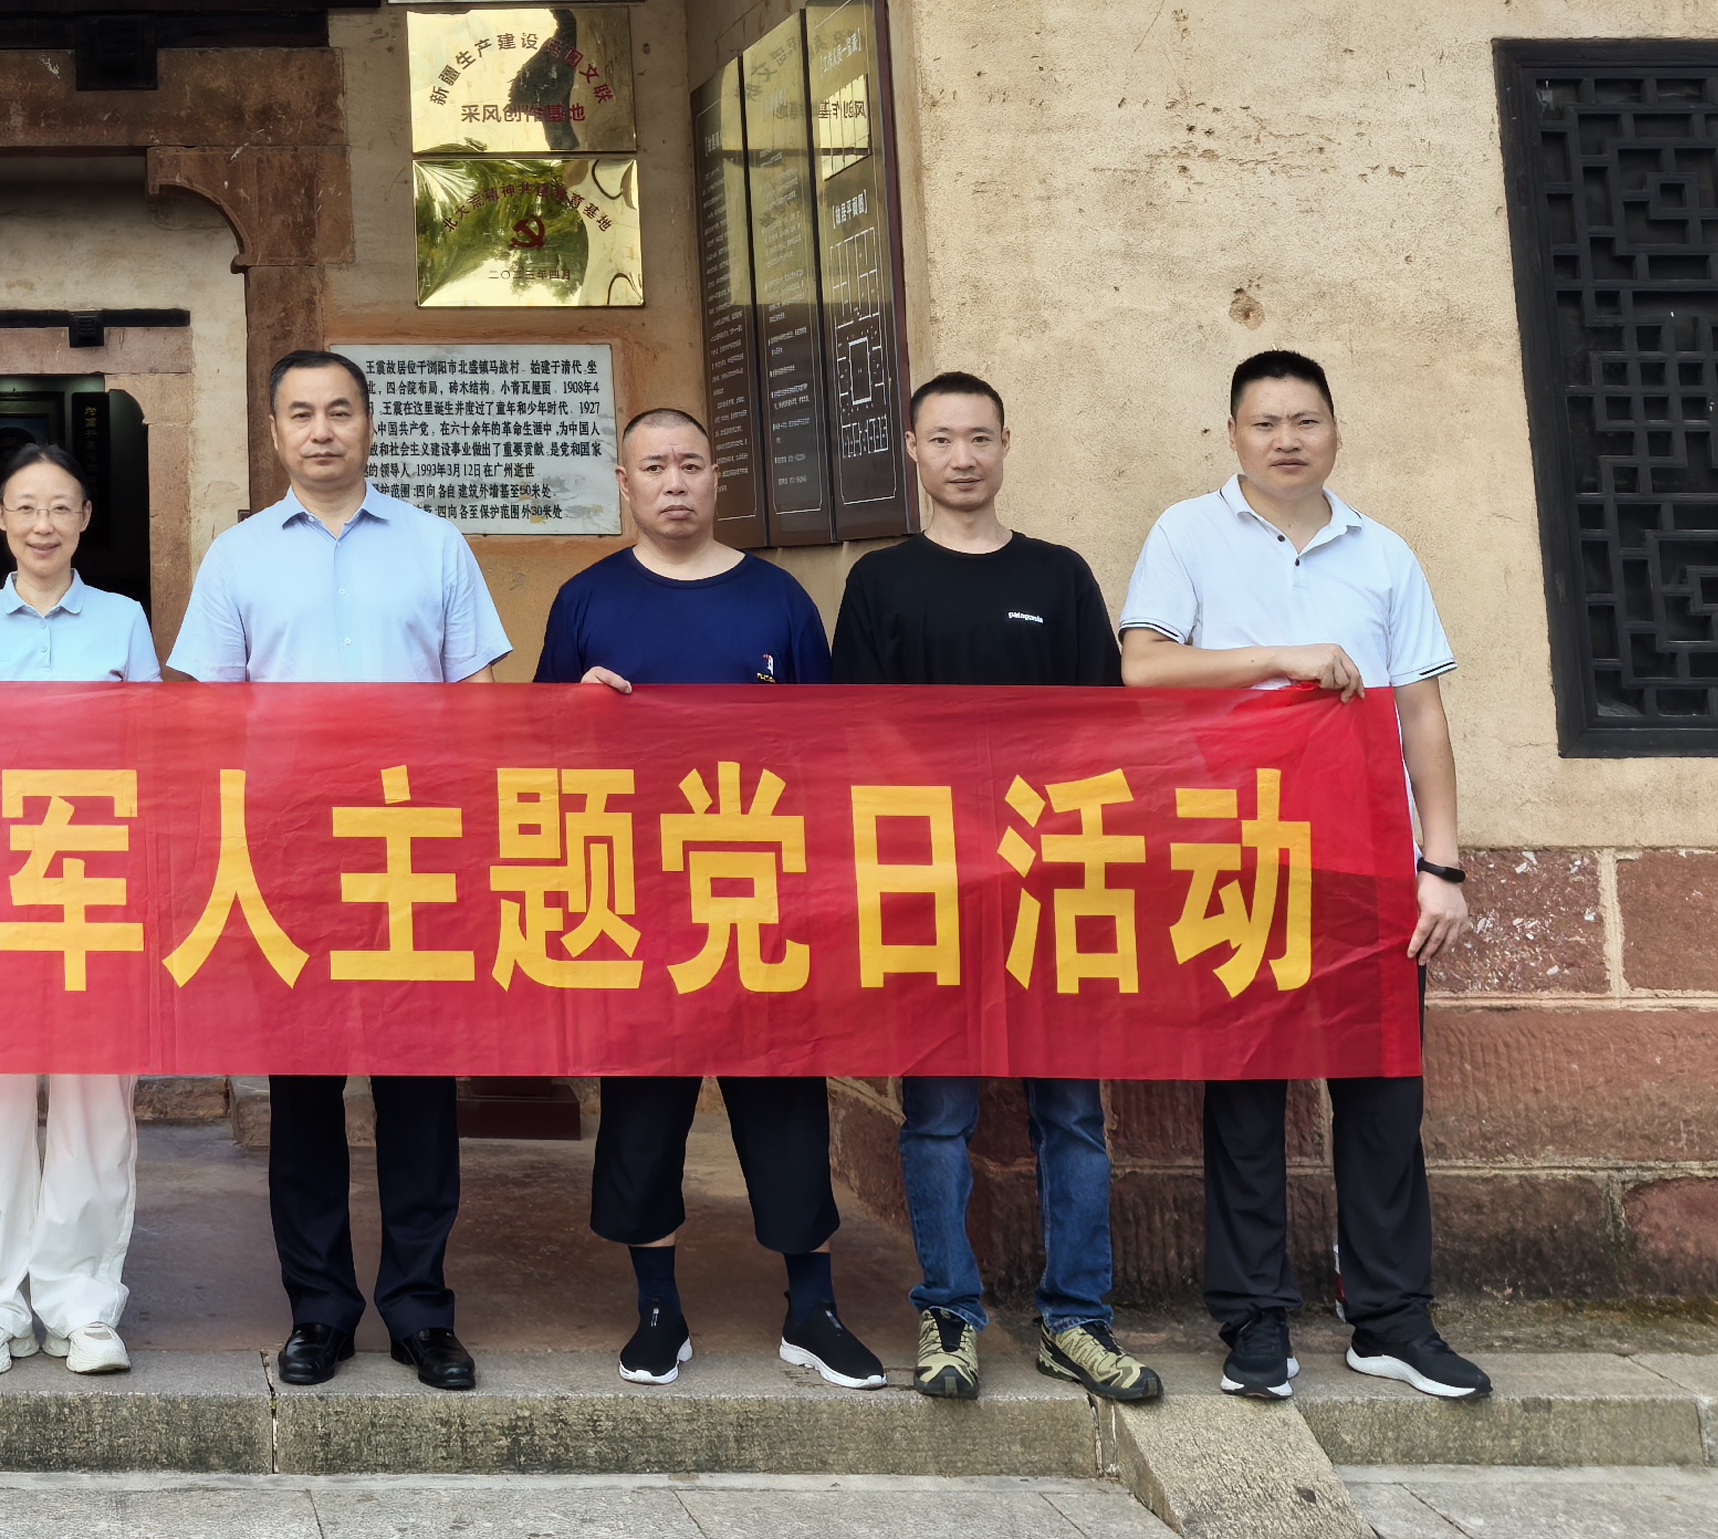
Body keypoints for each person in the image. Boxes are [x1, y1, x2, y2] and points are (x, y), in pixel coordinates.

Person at [1119, 349, 1490, 1408]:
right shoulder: (1186, 534)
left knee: (1383, 1097)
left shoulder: (1383, 552)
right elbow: (1142, 666)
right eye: (1265, 422)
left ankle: (1391, 1318)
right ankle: (1253, 1319)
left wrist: (1441, 865)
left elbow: (1419, 713)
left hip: (1368, 864)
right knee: (1244, 1093)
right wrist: (1280, 659)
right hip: (1236, 859)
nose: (1286, 439)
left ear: (1334, 431)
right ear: (1232, 434)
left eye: (1305, 421)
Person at [171, 347, 508, 1395]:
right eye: (302, 414)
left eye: (340, 411)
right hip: (291, 857)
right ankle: (317, 1310)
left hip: (414, 850)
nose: (322, 431)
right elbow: (209, 720)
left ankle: (420, 1310)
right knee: (305, 1090)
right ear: (274, 431)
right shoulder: (236, 557)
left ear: (369, 424)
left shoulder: (437, 545)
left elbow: (478, 706)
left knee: (418, 1091)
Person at [532, 406, 881, 1393]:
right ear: (624, 484)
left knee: (783, 1098)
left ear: (717, 477)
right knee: (644, 1105)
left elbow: (829, 749)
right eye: (653, 467)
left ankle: (812, 1307)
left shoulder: (777, 599)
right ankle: (657, 1308)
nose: (673, 482)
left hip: (762, 887)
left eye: (689, 464)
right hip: (638, 892)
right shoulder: (586, 598)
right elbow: (539, 750)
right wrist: (576, 715)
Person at [828, 372, 1160, 1408]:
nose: (962, 457)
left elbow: (1101, 728)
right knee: (936, 1117)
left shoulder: (1058, 576)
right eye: (942, 439)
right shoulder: (880, 582)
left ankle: (1077, 1321)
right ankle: (948, 1315)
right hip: (930, 888)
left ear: (1006, 445)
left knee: (1073, 1114)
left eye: (979, 437)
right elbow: (853, 737)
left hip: (1050, 881)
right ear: (912, 452)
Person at [0, 440, 163, 1379]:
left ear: (86, 519)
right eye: (25, 506)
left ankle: (83, 1306)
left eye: (61, 506)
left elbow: (156, 751)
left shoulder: (123, 620)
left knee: (94, 1096)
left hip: (97, 884)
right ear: (0, 519)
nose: (42, 525)